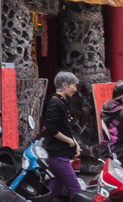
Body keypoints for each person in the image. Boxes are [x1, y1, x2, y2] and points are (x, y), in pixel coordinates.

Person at [43, 71, 81, 202]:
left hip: (60, 153)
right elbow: (52, 129)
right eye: (73, 86)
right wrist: (70, 141)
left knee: (56, 189)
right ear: (64, 85)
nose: (75, 89)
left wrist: (74, 142)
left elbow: (66, 127)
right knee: (76, 190)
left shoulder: (62, 101)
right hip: (57, 154)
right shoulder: (55, 102)